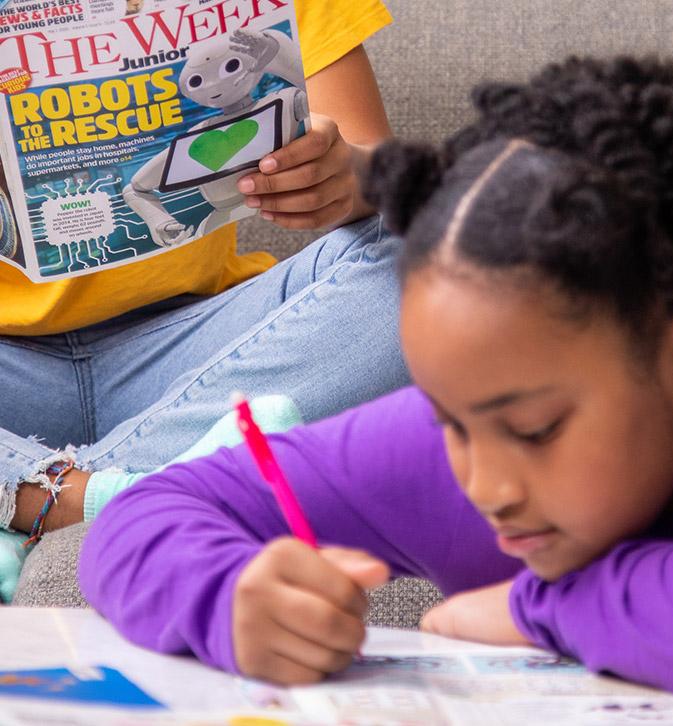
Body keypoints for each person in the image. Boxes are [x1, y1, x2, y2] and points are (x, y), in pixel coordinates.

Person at [79, 56, 673, 711]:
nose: (486, 488)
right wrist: (225, 597)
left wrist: (540, 608)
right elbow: (142, 520)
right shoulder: (452, 457)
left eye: (535, 430)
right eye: (451, 422)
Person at [0, 1, 411, 582]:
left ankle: (33, 507)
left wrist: (346, 174)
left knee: (428, 246)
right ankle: (123, 494)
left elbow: (383, 175)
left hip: (203, 354)